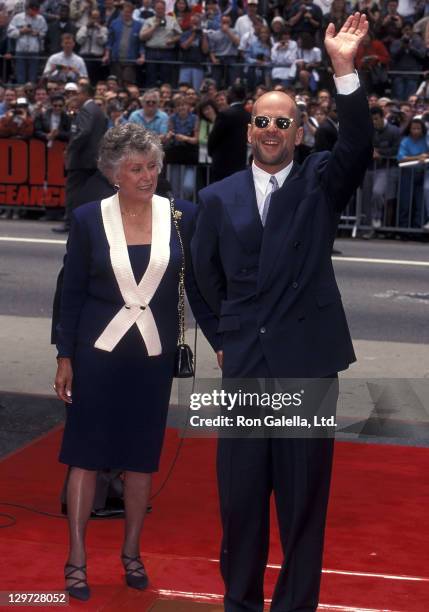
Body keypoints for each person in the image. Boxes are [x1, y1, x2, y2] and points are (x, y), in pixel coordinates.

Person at [191, 13, 373, 612]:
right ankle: (240, 604)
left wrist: (343, 69)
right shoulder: (216, 199)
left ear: (299, 131)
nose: (271, 130)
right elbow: (201, 280)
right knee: (240, 504)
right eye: (262, 121)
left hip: (306, 364)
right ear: (249, 131)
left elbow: (357, 145)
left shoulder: (321, 180)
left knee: (301, 507)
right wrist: (223, 337)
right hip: (245, 365)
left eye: (283, 122)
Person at [53, 123, 219, 601]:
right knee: (85, 456)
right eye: (135, 168)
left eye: (152, 166)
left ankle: (132, 554)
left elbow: (201, 288)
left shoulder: (183, 216)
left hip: (152, 358)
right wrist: (64, 355)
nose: (147, 176)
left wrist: (223, 340)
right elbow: (72, 293)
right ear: (113, 174)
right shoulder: (88, 219)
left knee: (142, 459)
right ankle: (77, 559)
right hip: (95, 355)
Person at [52, 82, 107, 233]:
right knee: (90, 194)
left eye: (78, 94)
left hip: (81, 159)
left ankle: (70, 222)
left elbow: (83, 132)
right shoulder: (98, 110)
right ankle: (86, 225)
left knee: (74, 192)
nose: (75, 97)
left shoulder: (86, 109)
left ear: (85, 94)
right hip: (93, 159)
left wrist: (70, 148)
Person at [207, 82, 250, 183]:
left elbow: (214, 138)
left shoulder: (225, 114)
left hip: (222, 163)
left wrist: (211, 153)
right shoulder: (248, 116)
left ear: (233, 95)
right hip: (240, 163)